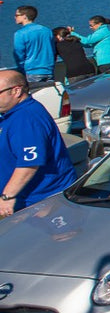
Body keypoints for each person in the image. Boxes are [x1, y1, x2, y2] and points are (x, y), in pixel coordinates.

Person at [0, 70, 78, 218]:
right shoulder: (11, 114)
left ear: (16, 91)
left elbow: (29, 163)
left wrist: (7, 197)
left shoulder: (27, 118)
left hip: (42, 203)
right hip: (27, 199)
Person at [12, 6, 55, 86]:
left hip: (32, 72)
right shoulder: (47, 30)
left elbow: (19, 54)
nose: (14, 17)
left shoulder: (20, 33)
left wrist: (22, 71)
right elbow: (52, 50)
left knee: (35, 96)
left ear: (24, 16)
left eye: (17, 15)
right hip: (48, 70)